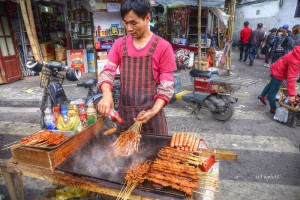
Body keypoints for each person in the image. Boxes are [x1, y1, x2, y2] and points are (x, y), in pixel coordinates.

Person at [97, 0, 177, 135]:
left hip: (152, 119)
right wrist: (106, 94)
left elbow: (166, 87)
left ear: (147, 18)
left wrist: (153, 111)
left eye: (133, 23)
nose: (129, 28)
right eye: (126, 23)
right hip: (125, 119)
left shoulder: (163, 46)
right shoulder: (119, 45)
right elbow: (107, 73)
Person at [257, 45, 300, 114]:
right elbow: (291, 78)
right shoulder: (296, 61)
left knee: (271, 84)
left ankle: (262, 96)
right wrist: (292, 95)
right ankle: (273, 108)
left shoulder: (297, 51)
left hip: (277, 67)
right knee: (273, 92)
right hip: (279, 73)